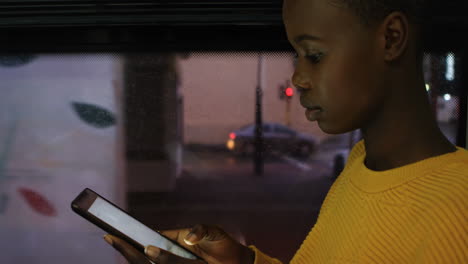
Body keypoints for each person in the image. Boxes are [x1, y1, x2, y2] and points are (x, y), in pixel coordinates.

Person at [103, 0, 468, 263]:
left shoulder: (458, 211)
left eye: (314, 54)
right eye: (296, 55)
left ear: (390, 38)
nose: (297, 78)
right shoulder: (362, 164)